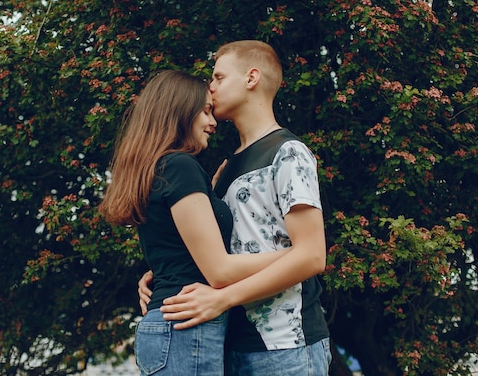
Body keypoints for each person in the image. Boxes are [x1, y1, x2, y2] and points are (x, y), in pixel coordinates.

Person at [139, 40, 332, 376]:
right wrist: (163, 273)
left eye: (218, 76)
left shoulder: (288, 153)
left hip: (286, 346)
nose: (210, 87)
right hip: (229, 343)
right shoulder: (226, 169)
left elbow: (312, 256)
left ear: (251, 78)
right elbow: (227, 243)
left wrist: (223, 299)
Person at [98, 70, 291, 376]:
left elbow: (178, 247)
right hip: (185, 328)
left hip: (175, 328)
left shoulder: (160, 167)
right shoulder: (179, 165)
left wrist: (210, 196)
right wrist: (295, 256)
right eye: (204, 111)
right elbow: (219, 271)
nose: (213, 122)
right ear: (178, 112)